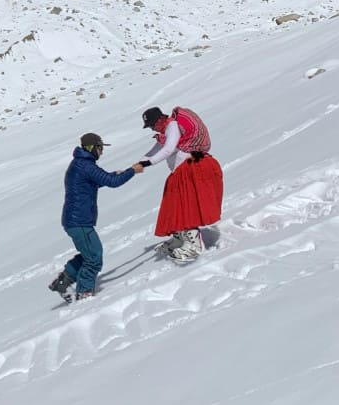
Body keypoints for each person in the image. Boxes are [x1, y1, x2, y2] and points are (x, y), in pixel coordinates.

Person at [48, 133, 144, 303]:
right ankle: (84, 294)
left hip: (75, 220)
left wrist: (115, 173)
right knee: (94, 258)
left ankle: (64, 281)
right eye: (100, 148)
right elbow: (112, 182)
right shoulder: (86, 165)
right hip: (80, 221)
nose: (102, 151)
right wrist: (132, 171)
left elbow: (99, 180)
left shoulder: (81, 164)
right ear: (92, 148)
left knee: (89, 254)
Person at [140, 106, 224, 261]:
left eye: (152, 125)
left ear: (159, 120)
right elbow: (157, 150)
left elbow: (168, 149)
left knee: (185, 205)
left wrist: (146, 164)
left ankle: (194, 245)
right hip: (182, 171)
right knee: (174, 205)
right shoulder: (166, 130)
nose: (152, 129)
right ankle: (180, 238)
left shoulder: (172, 126)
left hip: (188, 170)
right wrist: (138, 164)